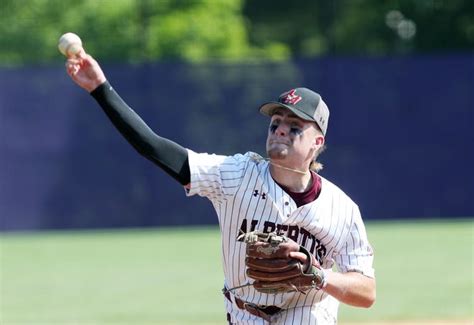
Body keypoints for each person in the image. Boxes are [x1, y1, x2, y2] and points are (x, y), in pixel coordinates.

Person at [65, 50, 376, 324]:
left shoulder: (342, 209)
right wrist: (100, 89)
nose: (281, 129)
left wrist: (318, 275)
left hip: (309, 312)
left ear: (317, 142)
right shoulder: (236, 175)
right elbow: (155, 148)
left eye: (295, 126)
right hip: (244, 313)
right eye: (276, 123)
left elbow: (366, 292)